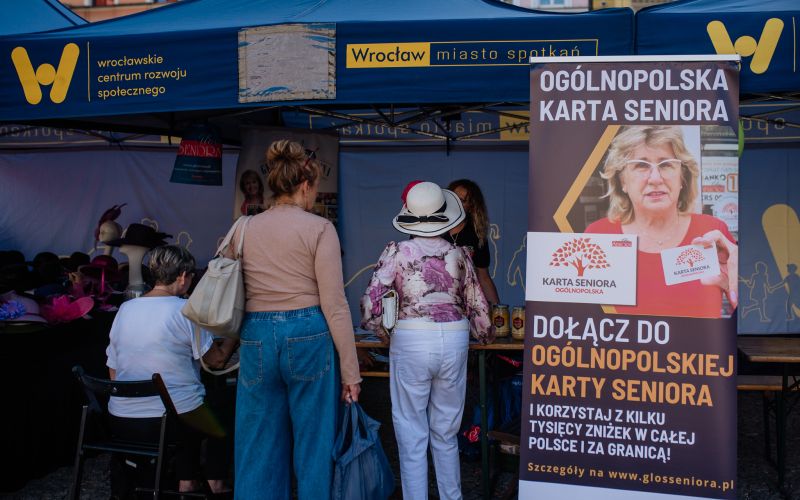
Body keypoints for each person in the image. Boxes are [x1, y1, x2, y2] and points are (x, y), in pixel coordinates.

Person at [227, 139, 361, 500]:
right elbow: (335, 304)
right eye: (314, 189)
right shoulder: (320, 228)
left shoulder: (243, 227)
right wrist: (351, 372)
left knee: (257, 444)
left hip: (255, 333)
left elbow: (225, 283)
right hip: (308, 332)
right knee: (314, 443)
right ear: (305, 185)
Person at [361, 181, 494, 500]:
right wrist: (484, 334)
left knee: (411, 433)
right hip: (454, 337)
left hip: (411, 337)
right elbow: (479, 308)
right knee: (446, 432)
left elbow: (371, 305)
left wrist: (383, 331)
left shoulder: (397, 251)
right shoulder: (459, 254)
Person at [105, 245, 238, 495]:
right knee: (228, 402)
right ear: (183, 276)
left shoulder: (126, 309)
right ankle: (215, 481)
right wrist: (236, 333)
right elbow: (217, 361)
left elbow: (113, 371)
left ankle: (187, 480)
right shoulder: (185, 310)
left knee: (189, 402)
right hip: (171, 422)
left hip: (121, 420)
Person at [585, 125, 738, 318]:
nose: (655, 179)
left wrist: (738, 285)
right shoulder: (598, 235)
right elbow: (582, 318)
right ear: (622, 181)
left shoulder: (712, 232)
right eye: (641, 165)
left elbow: (748, 315)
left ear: (682, 177)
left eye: (666, 165)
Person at [444, 179, 500, 305]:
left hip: (462, 303)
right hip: (430, 300)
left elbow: (483, 277)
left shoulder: (476, 235)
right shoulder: (429, 228)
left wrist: (497, 309)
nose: (456, 203)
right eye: (453, 197)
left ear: (471, 207)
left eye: (462, 200)